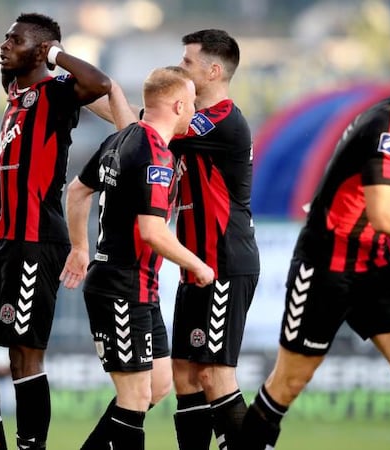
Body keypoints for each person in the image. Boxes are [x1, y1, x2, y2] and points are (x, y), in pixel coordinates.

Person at [241, 51, 390, 450]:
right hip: (327, 268)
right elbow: (385, 215)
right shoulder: (387, 128)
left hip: (376, 267)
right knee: (290, 381)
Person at [0, 12, 111, 450]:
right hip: (4, 243)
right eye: (4, 38)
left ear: (40, 51)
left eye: (14, 39)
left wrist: (54, 53)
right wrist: (24, 53)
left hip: (37, 242)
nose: (4, 45)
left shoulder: (56, 93)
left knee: (25, 358)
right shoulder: (16, 92)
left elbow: (100, 85)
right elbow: (7, 68)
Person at [61, 66, 215, 449]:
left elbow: (77, 191)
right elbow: (152, 231)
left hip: (139, 289)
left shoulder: (124, 137)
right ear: (179, 105)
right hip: (120, 288)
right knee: (133, 398)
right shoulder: (156, 157)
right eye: (192, 104)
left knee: (158, 385)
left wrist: (81, 248)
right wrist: (196, 264)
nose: (194, 111)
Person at [166, 29, 260, 450]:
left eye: (187, 62)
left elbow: (145, 126)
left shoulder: (220, 119)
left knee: (214, 374)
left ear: (214, 70)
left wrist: (101, 91)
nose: (180, 67)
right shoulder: (194, 121)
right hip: (195, 266)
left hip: (223, 261)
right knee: (186, 375)